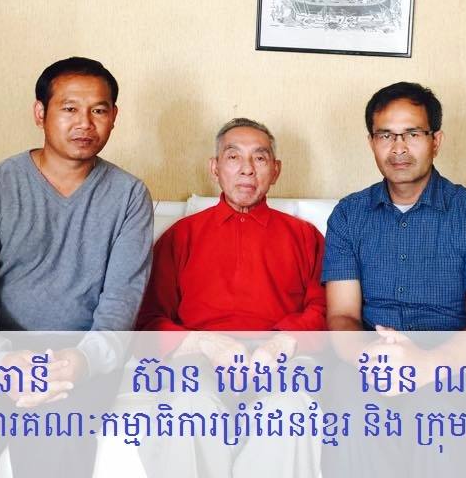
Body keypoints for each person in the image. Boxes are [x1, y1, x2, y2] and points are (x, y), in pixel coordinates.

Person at [0, 56, 154, 478]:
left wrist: (81, 362)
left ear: (114, 117)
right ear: (40, 113)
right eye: (69, 108)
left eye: (98, 110)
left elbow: (121, 301)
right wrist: (0, 363)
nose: (85, 123)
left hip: (76, 355)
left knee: (54, 441)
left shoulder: (129, 196)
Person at [322, 81, 466, 476]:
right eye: (386, 135)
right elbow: (341, 315)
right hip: (372, 359)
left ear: (435, 141)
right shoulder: (349, 215)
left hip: (453, 362)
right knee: (351, 401)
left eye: (412, 133)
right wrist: (369, 359)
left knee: (438, 410)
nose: (399, 148)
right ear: (371, 142)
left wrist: (428, 365)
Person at [135, 117, 326, 478]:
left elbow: (325, 308)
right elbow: (148, 321)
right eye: (234, 157)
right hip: (199, 358)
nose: (247, 169)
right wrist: (204, 344)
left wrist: (280, 345)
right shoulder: (181, 236)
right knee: (191, 406)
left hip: (280, 360)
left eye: (260, 158)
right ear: (215, 168)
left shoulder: (304, 236)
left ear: (275, 170)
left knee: (289, 411)